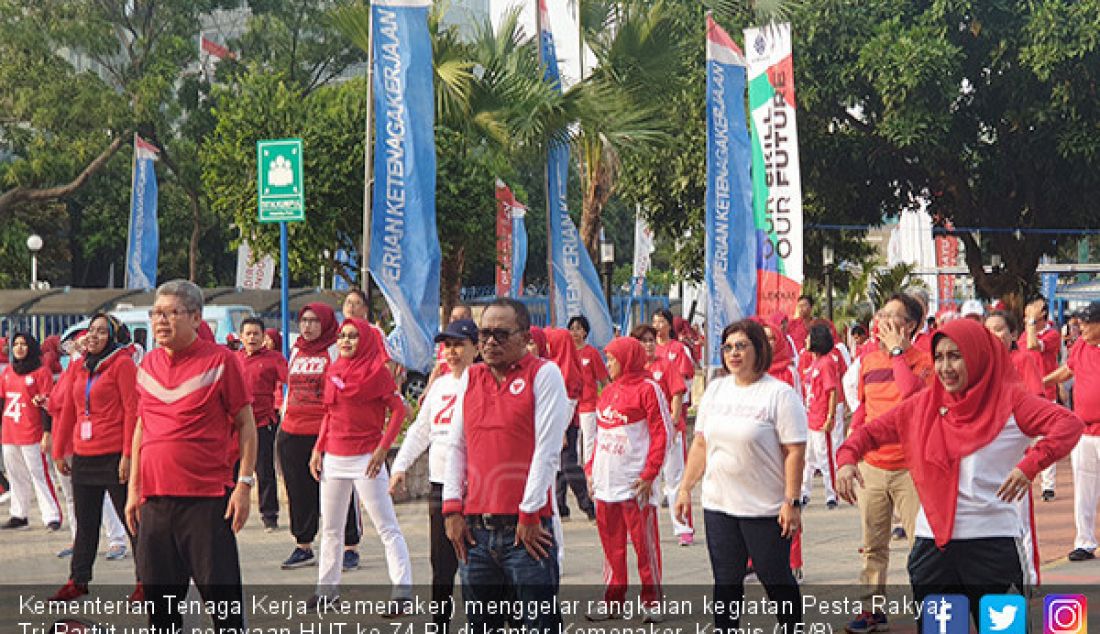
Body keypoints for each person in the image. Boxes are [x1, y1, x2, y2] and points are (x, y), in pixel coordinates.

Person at [836, 319, 1082, 620]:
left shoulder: (1011, 401)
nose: (945, 367)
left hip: (993, 545)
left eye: (956, 356)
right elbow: (868, 433)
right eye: (938, 357)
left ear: (977, 355)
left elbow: (1069, 424)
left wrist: (1030, 465)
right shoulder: (924, 405)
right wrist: (847, 459)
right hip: (933, 549)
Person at [124, 279, 257, 633]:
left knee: (225, 611)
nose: (160, 321)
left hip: (206, 504)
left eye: (171, 313)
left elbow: (246, 424)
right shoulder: (147, 364)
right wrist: (134, 489)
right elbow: (142, 426)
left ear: (196, 317)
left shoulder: (221, 361)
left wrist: (244, 485)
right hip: (155, 504)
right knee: (161, 613)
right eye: (155, 313)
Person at [443, 298, 570, 634]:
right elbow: (456, 445)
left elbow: (546, 450)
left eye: (501, 334)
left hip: (527, 532)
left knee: (539, 623)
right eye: (484, 333)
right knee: (481, 624)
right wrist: (452, 509)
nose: (489, 342)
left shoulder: (544, 374)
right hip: (476, 532)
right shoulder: (472, 377)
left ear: (525, 336)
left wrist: (528, 514)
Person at [674, 320, 806, 633]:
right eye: (729, 347)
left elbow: (795, 452)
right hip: (719, 505)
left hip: (764, 509)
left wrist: (792, 501)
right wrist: (684, 489)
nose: (734, 353)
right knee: (726, 581)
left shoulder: (779, 395)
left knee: (775, 579)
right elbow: (702, 443)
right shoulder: (717, 389)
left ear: (759, 349)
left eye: (742, 346)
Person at [845, 293, 934, 634]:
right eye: (880, 314)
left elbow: (912, 393)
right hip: (873, 466)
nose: (881, 321)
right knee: (873, 544)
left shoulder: (923, 360)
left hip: (911, 467)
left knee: (921, 545)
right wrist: (852, 453)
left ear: (910, 325)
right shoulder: (867, 361)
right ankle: (871, 609)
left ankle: (929, 609)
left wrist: (898, 353)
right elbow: (864, 410)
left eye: (891, 316)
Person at [308, 318, 412, 608]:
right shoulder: (333, 370)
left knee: (386, 527)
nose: (345, 341)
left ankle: (402, 594)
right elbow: (329, 413)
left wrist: (382, 450)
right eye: (342, 336)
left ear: (365, 340)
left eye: (353, 336)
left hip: (367, 459)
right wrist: (318, 449)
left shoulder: (377, 373)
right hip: (334, 459)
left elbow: (399, 410)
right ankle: (326, 592)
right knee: (331, 528)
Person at [390, 319, 478, 632]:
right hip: (440, 483)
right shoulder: (439, 386)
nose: (452, 352)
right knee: (441, 563)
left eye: (459, 345)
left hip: (474, 486)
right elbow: (420, 430)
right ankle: (439, 621)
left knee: (474, 562)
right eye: (447, 345)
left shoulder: (480, 381)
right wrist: (400, 466)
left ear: (475, 348)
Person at [48, 314, 140, 601]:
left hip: (113, 455)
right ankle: (78, 581)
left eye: (102, 332)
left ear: (113, 336)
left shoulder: (123, 363)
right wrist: (60, 449)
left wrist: (127, 455)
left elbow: (132, 411)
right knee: (85, 523)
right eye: (92, 331)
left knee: (133, 523)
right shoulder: (81, 366)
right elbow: (68, 407)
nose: (95, 336)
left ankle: (146, 581)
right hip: (84, 455)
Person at [586, 337, 668, 621]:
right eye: (606, 359)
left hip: (634, 484)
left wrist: (649, 474)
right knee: (612, 547)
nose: (607, 364)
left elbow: (662, 434)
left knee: (645, 546)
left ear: (627, 358)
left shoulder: (649, 389)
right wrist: (591, 470)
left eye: (611, 359)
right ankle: (613, 600)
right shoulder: (606, 392)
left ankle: (652, 601)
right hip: (605, 484)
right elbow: (599, 435)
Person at [278, 303, 362, 570]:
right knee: (299, 491)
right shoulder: (295, 351)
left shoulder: (335, 349)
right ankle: (304, 545)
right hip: (293, 431)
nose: (308, 326)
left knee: (340, 490)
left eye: (314, 320)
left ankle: (350, 548)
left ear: (325, 323)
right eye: (303, 320)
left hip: (327, 433)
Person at [1042, 301, 1100, 561]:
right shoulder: (1080, 347)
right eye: (1080, 322)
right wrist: (1040, 382)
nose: (1082, 327)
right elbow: (1067, 371)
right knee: (1084, 489)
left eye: (1087, 322)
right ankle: (1084, 542)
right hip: (1085, 432)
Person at [1, 332, 61, 531]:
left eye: (24, 344)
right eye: (16, 344)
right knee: (15, 474)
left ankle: (51, 515)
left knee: (39, 474)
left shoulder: (41, 372)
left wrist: (47, 432)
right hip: (10, 432)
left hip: (31, 433)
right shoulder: (8, 371)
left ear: (32, 347)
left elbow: (47, 404)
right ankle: (19, 515)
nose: (19, 348)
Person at [238, 317, 288, 532]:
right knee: (230, 471)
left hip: (262, 422)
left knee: (264, 471)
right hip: (234, 425)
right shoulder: (232, 359)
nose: (252, 337)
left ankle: (269, 516)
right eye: (248, 334)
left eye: (256, 334)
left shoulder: (274, 359)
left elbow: (291, 382)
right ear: (241, 337)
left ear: (263, 337)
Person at [651, 309, 695, 545]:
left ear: (670, 325)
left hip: (672, 425)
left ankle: (683, 527)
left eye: (662, 322)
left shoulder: (677, 351)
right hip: (647, 430)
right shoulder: (642, 361)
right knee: (649, 480)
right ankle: (644, 527)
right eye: (654, 322)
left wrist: (675, 418)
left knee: (675, 478)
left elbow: (683, 386)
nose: (657, 327)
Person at [546, 327, 596, 522]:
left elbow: (569, 401)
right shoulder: (551, 366)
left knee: (568, 465)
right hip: (558, 425)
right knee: (556, 466)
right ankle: (560, 506)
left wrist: (562, 430)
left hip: (567, 424)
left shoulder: (567, 369)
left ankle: (588, 506)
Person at [1021, 297, 1062, 501]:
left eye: (1032, 313)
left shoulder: (1052, 335)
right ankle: (1025, 478)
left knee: (1046, 442)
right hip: (1025, 398)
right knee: (1024, 442)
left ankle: (1048, 486)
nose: (1027, 317)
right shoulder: (1021, 335)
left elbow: (1033, 344)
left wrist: (1031, 321)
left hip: (1046, 397)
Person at [801, 323, 840, 509]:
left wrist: (830, 416)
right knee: (808, 458)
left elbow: (832, 391)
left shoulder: (827, 363)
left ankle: (831, 493)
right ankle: (805, 492)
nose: (805, 340)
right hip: (809, 418)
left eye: (809, 337)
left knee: (824, 457)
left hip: (820, 417)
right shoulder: (813, 363)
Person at [569, 315, 610, 466]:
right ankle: (576, 472)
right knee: (574, 440)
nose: (574, 332)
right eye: (572, 329)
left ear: (585, 332)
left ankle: (589, 471)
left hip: (588, 404)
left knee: (589, 440)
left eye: (578, 328)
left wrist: (606, 402)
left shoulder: (591, 353)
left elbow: (604, 380)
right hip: (571, 404)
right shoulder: (567, 353)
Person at [986, 311, 1044, 396]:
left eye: (998, 329)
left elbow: (1038, 396)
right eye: (987, 331)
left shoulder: (1023, 359)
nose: (992, 335)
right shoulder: (983, 363)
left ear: (1013, 335)